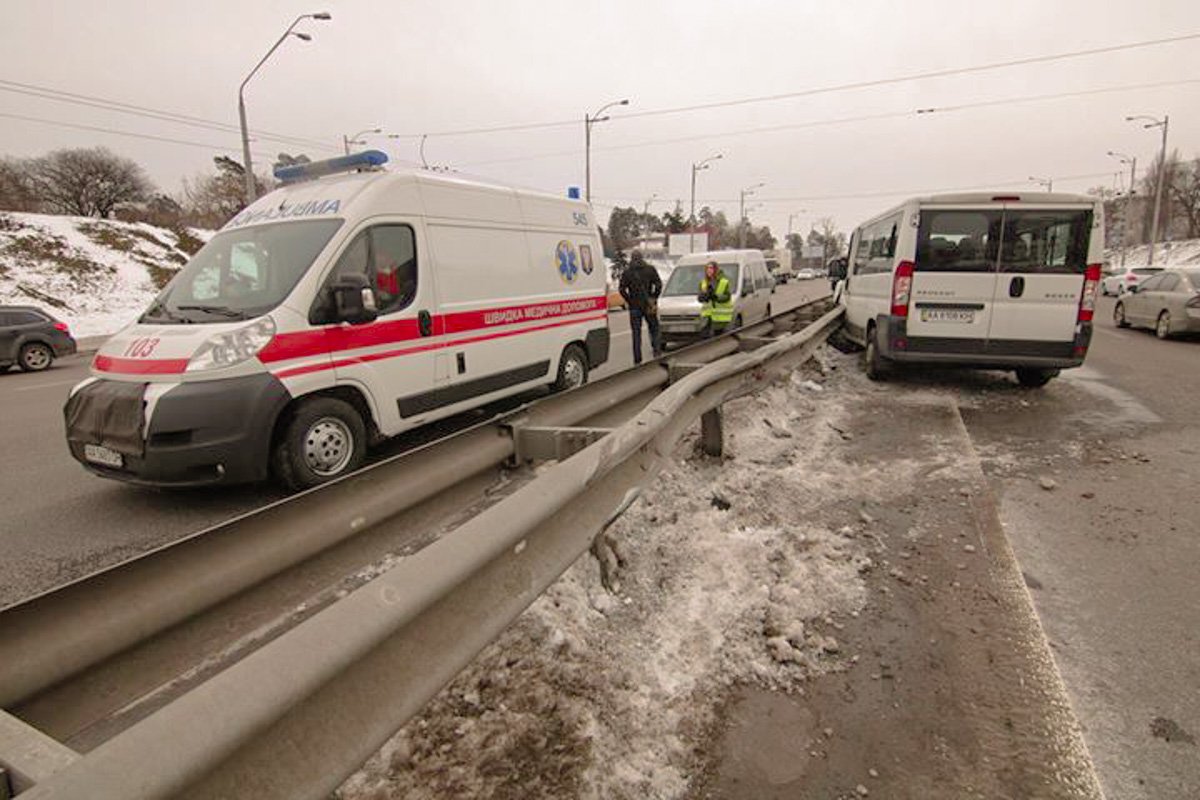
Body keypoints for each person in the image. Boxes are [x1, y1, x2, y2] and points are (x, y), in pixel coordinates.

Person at [618, 250, 663, 363]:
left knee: (636, 333)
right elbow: (658, 284)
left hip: (634, 307)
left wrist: (630, 300)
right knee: (654, 328)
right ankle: (657, 352)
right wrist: (653, 297)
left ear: (632, 259)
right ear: (642, 258)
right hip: (648, 305)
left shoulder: (627, 272)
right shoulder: (650, 269)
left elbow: (621, 289)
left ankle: (637, 359)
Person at [698, 260, 734, 336]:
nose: (709, 270)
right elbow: (699, 296)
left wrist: (716, 297)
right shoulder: (703, 282)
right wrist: (703, 297)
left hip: (720, 319)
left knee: (719, 338)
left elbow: (727, 296)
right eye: (707, 268)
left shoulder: (723, 281)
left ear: (716, 269)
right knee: (705, 337)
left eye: (711, 268)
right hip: (707, 317)